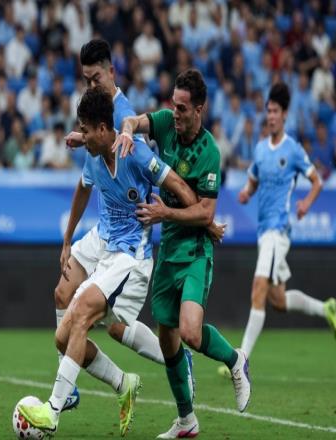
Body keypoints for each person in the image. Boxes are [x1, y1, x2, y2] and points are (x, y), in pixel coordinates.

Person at [18, 86, 199, 436]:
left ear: (104, 128)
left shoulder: (136, 153)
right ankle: (123, 382)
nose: (82, 136)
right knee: (63, 336)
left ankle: (52, 411)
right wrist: (67, 238)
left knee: (82, 312)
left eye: (86, 130)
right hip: (106, 247)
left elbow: (180, 187)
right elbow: (83, 186)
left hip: (132, 258)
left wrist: (176, 215)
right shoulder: (93, 153)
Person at [60, 39, 216, 411]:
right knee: (63, 295)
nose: (90, 86)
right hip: (104, 231)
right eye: (86, 80)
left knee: (113, 324)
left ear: (111, 73)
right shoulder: (96, 112)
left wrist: (202, 218)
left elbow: (150, 169)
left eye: (95, 78)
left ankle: (171, 360)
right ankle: (74, 384)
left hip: (129, 236)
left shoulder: (123, 114)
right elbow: (86, 182)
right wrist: (67, 238)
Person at [115, 68, 251, 439]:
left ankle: (235, 359)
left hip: (195, 251)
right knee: (167, 338)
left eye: (182, 108)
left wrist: (164, 214)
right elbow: (134, 120)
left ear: (199, 110)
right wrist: (127, 130)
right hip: (168, 250)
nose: (175, 113)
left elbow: (206, 214)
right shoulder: (163, 123)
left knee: (189, 332)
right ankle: (186, 420)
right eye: (173, 105)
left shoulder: (209, 152)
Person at [217, 82, 336, 378]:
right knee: (278, 300)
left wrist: (306, 203)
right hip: (264, 232)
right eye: (268, 111)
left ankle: (240, 361)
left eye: (275, 111)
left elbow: (317, 181)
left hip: (278, 230)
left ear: (285, 114)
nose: (270, 116)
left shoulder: (293, 150)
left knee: (258, 289)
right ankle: (325, 308)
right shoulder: (261, 149)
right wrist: (246, 192)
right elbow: (253, 180)